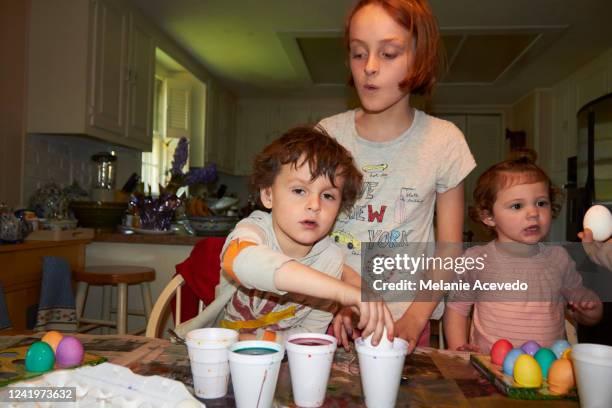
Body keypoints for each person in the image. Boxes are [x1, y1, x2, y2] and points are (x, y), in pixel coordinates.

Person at [318, 0, 476, 351]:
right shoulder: (326, 136)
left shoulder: (445, 141)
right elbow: (308, 236)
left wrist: (417, 318)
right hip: (331, 318)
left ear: (420, 59)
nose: (369, 68)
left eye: (388, 54)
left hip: (405, 321)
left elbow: (449, 249)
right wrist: (338, 299)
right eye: (359, 54)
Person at [179, 126, 394, 344]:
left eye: (328, 195)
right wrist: (343, 292)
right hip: (215, 349)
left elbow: (309, 336)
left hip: (275, 357)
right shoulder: (254, 229)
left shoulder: (331, 261)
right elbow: (241, 262)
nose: (314, 205)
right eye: (299, 190)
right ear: (268, 194)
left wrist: (255, 339)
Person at [444, 153, 603, 353]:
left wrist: (590, 309)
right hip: (489, 370)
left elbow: (583, 313)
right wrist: (459, 353)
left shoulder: (559, 258)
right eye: (517, 206)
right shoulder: (477, 259)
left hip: (548, 375)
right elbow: (457, 310)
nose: (533, 213)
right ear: (488, 216)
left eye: (541, 203)